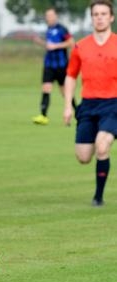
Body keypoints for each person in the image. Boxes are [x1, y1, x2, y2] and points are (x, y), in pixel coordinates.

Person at [64, 0, 117, 207]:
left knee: (102, 146)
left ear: (111, 17)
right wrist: (68, 105)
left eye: (104, 13)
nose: (100, 17)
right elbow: (70, 76)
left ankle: (98, 197)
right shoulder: (81, 46)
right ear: (92, 17)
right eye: (96, 14)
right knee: (84, 156)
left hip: (113, 104)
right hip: (88, 105)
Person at [32, 7, 75, 125]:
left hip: (61, 65)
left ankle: (78, 113)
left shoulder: (62, 29)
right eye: (47, 16)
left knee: (65, 92)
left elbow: (71, 42)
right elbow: (48, 46)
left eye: (51, 15)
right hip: (49, 65)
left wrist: (56, 46)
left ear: (55, 16)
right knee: (46, 88)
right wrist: (40, 42)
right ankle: (43, 116)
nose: (49, 18)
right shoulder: (48, 30)